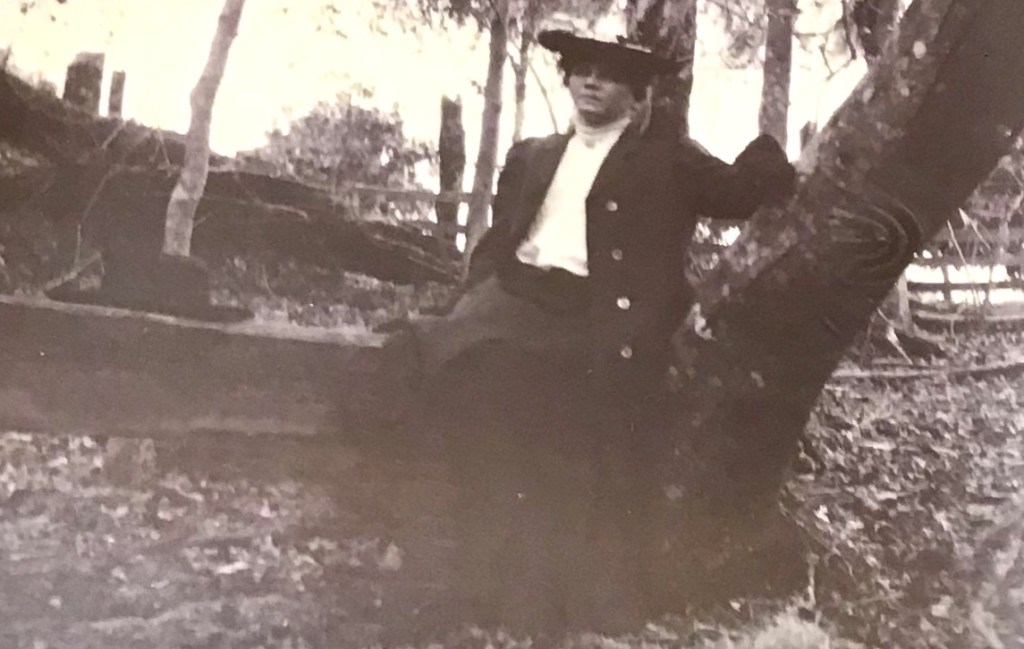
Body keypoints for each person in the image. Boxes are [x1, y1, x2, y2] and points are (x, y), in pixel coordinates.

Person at [393, 25, 797, 640]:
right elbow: (503, 240)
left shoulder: (668, 159)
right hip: (516, 300)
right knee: (438, 371)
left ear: (636, 95)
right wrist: (471, 298)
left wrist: (767, 151)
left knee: (567, 441)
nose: (589, 80)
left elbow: (741, 193)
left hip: (595, 316)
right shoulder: (533, 155)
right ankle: (470, 583)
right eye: (580, 69)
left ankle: (552, 604)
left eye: (607, 74)